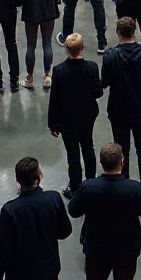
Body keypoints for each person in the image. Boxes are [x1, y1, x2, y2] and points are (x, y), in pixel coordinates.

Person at [67, 141, 141, 280]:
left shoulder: (88, 188)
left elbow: (73, 211)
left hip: (96, 250)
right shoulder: (135, 189)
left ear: (101, 163)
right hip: (126, 250)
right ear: (122, 162)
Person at [0, 157, 73, 280]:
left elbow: (3, 248)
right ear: (39, 177)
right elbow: (65, 231)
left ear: (17, 180)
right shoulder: (53, 198)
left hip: (20, 276)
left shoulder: (10, 210)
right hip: (48, 271)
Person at [102, 16, 141, 193]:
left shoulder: (110, 56)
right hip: (140, 107)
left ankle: (123, 183)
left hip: (118, 109)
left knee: (121, 148)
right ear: (135, 31)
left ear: (118, 32)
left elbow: (105, 82)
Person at [47, 33, 103, 197]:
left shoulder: (59, 70)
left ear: (66, 49)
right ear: (82, 47)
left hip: (67, 118)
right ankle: (92, 182)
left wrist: (53, 123)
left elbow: (54, 98)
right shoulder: (92, 67)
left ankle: (76, 187)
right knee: (88, 146)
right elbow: (98, 92)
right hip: (87, 115)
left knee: (73, 153)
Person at [20, 0, 61, 89]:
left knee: (30, 46)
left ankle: (30, 78)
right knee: (47, 44)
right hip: (48, 14)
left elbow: (21, 0)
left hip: (31, 16)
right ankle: (47, 76)